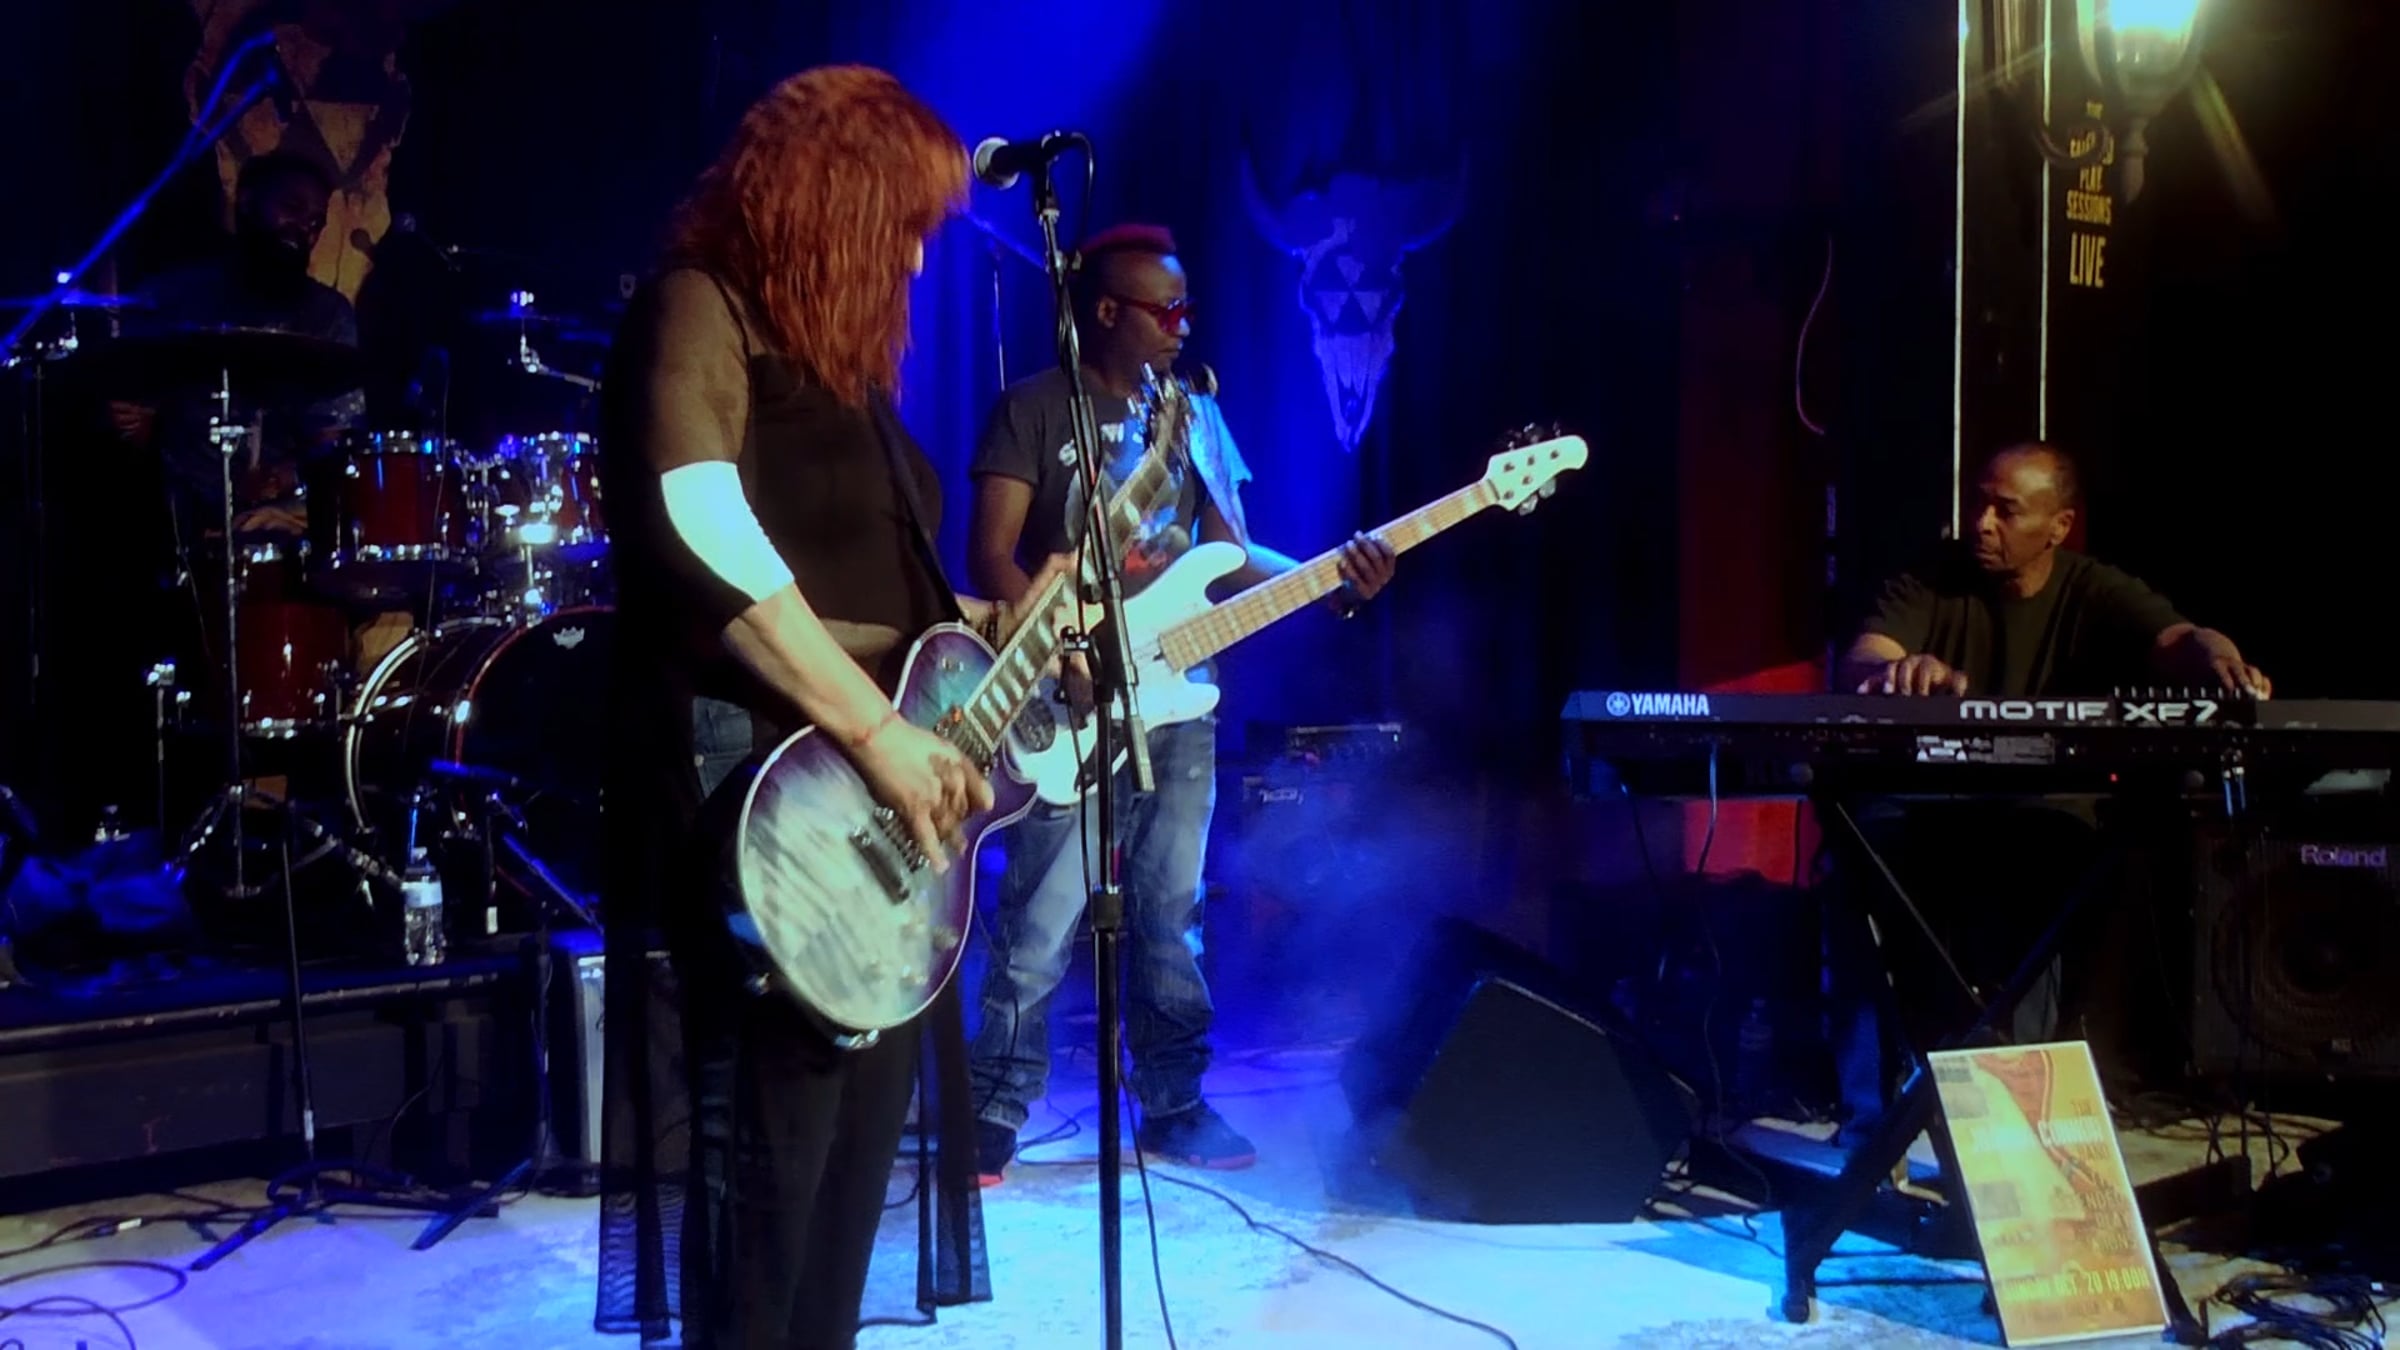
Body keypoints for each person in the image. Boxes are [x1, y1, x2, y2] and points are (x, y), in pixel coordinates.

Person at [594, 67, 1060, 1348]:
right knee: (772, 1142)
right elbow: (700, 529)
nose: (913, 263)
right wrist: (874, 728)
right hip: (764, 781)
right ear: (833, 205)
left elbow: (886, 607)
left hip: (881, 812)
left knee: (852, 1162)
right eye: (901, 227)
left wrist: (1006, 628)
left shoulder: (844, 382)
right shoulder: (700, 309)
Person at [963, 224, 1397, 1182]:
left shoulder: (1194, 417)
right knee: (1041, 916)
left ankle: (1173, 1102)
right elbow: (989, 555)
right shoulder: (1034, 407)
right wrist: (1056, 645)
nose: (1182, 325)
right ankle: (992, 1108)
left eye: (1186, 308)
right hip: (1068, 697)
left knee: (1173, 910)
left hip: (1179, 698)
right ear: (1105, 312)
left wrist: (1333, 579)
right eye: (1165, 310)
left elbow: (1226, 555)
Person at [1823, 442, 2269, 1139]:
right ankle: (1875, 1125)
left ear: (2058, 526)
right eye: (1979, 503)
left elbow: (2181, 638)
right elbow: (1866, 656)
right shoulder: (1931, 576)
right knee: (1852, 863)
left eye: (2006, 511)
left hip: (2044, 815)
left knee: (2049, 864)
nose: (1981, 523)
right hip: (1924, 805)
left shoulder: (2093, 588)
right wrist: (1896, 670)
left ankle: (2014, 1120)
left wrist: (2219, 660)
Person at [110, 148, 364, 539]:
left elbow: (333, 442)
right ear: (246, 202)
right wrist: (134, 425)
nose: (304, 229)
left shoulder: (326, 314)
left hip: (275, 524)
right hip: (172, 520)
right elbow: (131, 413)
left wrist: (287, 482)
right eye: (292, 208)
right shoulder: (176, 297)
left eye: (316, 223)